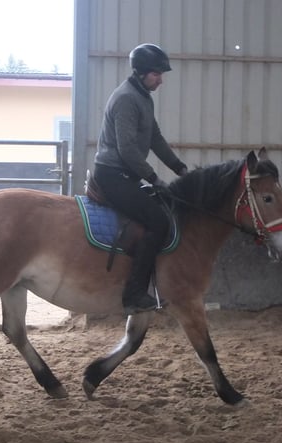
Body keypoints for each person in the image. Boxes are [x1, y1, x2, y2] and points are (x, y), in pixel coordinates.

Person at [93, 43, 188, 315]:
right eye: (156, 74)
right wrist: (154, 177)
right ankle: (134, 294)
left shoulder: (144, 97)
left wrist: (179, 168)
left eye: (160, 74)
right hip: (113, 175)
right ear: (140, 73)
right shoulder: (126, 99)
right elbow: (127, 149)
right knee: (157, 222)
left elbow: (155, 138)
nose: (160, 79)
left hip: (126, 174)